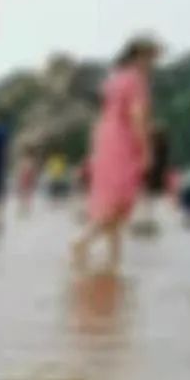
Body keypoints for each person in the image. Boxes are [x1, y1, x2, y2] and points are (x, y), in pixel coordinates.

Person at [72, 35, 160, 272]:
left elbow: (105, 114)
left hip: (105, 140)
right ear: (140, 57)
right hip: (123, 143)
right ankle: (82, 241)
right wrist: (147, 150)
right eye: (153, 58)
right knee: (119, 203)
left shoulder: (113, 79)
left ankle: (113, 262)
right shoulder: (135, 80)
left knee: (111, 200)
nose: (154, 64)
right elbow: (137, 116)